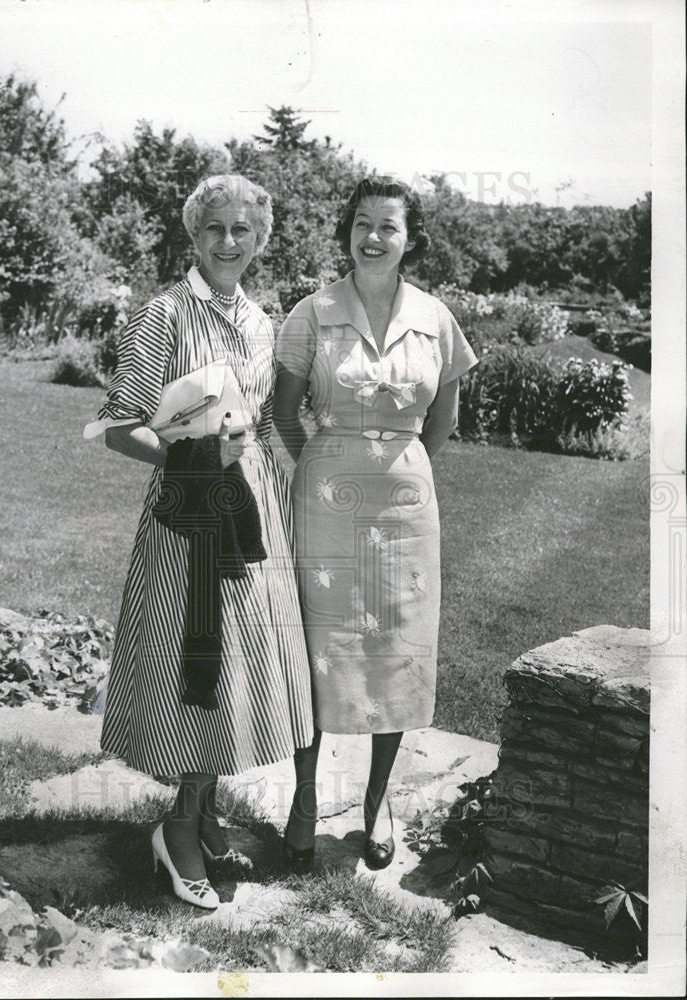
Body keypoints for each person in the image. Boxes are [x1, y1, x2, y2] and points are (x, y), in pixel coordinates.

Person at [92, 174, 314, 908]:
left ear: (260, 240)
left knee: (235, 669)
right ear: (193, 235)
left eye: (241, 231)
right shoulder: (163, 315)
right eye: (214, 229)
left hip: (245, 513)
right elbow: (122, 426)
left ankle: (205, 809)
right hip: (185, 518)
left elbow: (260, 423)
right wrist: (192, 452)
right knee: (198, 661)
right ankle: (177, 830)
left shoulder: (259, 319)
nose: (228, 243)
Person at [273, 176, 478, 870]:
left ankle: (377, 802)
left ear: (410, 238)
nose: (372, 237)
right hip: (325, 506)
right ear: (348, 232)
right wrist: (325, 466)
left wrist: (400, 468)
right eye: (361, 223)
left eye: (388, 225)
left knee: (396, 648)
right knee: (320, 650)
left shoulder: (436, 318)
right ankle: (304, 803)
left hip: (405, 509)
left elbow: (444, 420)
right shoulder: (313, 311)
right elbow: (282, 410)